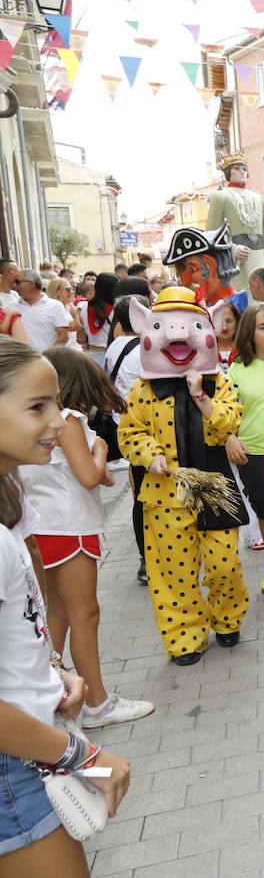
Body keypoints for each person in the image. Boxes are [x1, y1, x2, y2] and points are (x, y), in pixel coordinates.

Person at [0, 339, 131, 877]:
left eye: (56, 403)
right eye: (37, 407)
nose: (58, 421)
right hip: (18, 763)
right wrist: (81, 756)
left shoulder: (10, 509)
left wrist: (54, 674)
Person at [19, 347, 154, 728]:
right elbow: (89, 476)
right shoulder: (68, 420)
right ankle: (97, 702)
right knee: (85, 615)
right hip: (70, 526)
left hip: (42, 529)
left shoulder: (32, 420)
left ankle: (51, 695)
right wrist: (100, 449)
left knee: (55, 616)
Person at [118, 286, 249, 665]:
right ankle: (185, 637)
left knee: (224, 562)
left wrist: (201, 397)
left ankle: (226, 617)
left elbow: (230, 421)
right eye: (163, 327)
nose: (177, 337)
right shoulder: (142, 389)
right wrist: (150, 454)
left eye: (189, 327)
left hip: (212, 486)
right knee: (173, 572)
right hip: (164, 492)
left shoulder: (219, 381)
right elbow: (129, 433)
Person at [226, 303, 264, 593]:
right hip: (254, 453)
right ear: (249, 333)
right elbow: (225, 411)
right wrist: (229, 437)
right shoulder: (237, 370)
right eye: (263, 327)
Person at [104, 294, 148, 584]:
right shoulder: (143, 349)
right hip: (146, 430)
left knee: (138, 492)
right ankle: (149, 558)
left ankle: (146, 559)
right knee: (145, 496)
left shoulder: (114, 346)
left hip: (123, 425)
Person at [206, 152, 264, 282]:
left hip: (259, 262)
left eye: (244, 169)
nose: (242, 172)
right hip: (236, 265)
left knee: (260, 300)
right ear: (228, 172)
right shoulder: (220, 196)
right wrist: (233, 250)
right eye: (236, 169)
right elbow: (211, 235)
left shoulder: (258, 198)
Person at [14, 271, 71, 352]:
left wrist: (46, 358)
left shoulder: (55, 306)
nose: (15, 286)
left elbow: (63, 338)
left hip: (49, 361)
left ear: (31, 283)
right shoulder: (11, 306)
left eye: (17, 282)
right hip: (21, 361)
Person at [75, 273, 119, 363]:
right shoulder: (117, 309)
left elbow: (81, 339)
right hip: (113, 355)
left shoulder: (83, 307)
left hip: (91, 355)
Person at [43, 278, 79, 350]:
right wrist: (78, 312)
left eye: (72, 289)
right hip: (62, 353)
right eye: (68, 289)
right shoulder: (53, 309)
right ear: (57, 292)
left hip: (71, 350)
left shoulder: (67, 307)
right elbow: (73, 327)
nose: (72, 292)